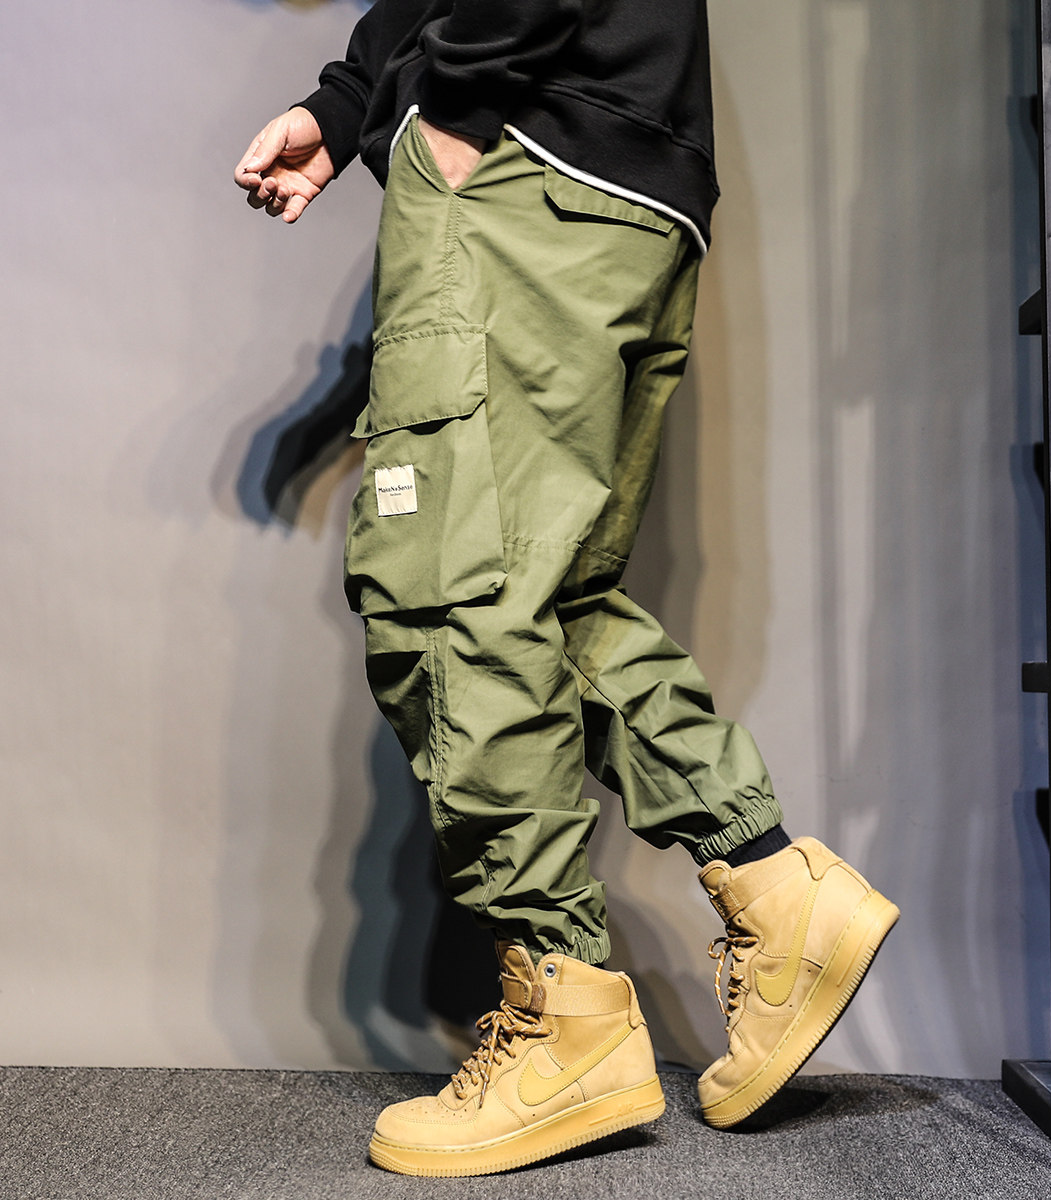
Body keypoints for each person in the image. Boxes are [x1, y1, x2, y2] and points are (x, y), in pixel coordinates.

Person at [234, 0, 898, 1178]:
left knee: (455, 602)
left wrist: (459, 93)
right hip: (627, 179)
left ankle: (567, 1020)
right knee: (546, 597)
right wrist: (347, 106)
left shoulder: (493, 108)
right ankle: (774, 889)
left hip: (525, 156)